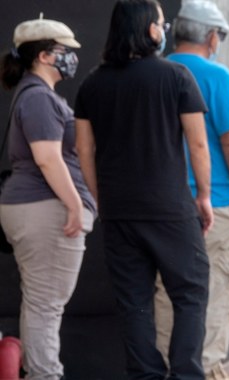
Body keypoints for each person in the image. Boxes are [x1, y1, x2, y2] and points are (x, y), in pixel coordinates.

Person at [74, 0, 212, 378]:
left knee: (134, 302)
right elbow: (198, 145)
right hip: (169, 207)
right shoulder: (177, 76)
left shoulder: (92, 83)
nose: (164, 29)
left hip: (119, 209)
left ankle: (146, 375)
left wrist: (100, 196)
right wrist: (203, 195)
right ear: (150, 29)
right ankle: (185, 374)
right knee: (189, 294)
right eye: (161, 23)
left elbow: (83, 148)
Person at [153, 2, 229, 379]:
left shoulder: (156, 73)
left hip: (165, 206)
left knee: (167, 296)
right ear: (212, 37)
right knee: (217, 292)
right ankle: (207, 372)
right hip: (219, 205)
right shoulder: (216, 76)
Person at [0, 15, 95, 379]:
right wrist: (74, 205)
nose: (71, 56)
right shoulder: (38, 98)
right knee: (46, 306)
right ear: (43, 56)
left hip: (34, 209)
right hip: (45, 211)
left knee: (40, 303)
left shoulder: (35, 94)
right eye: (64, 50)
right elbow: (47, 158)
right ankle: (45, 374)